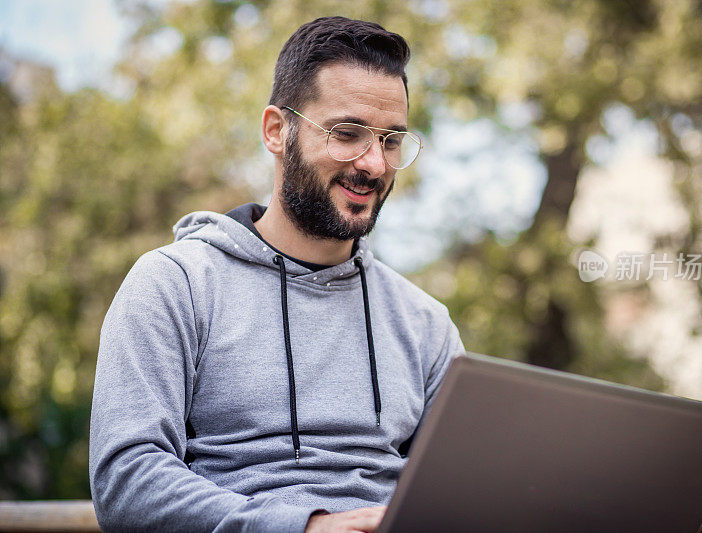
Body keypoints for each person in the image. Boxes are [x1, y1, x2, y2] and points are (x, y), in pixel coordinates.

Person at [89, 16, 465, 533]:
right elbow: (126, 483)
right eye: (347, 133)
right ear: (276, 130)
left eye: (391, 140)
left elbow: (465, 489)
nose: (374, 164)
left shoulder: (425, 323)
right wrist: (303, 527)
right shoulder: (176, 285)